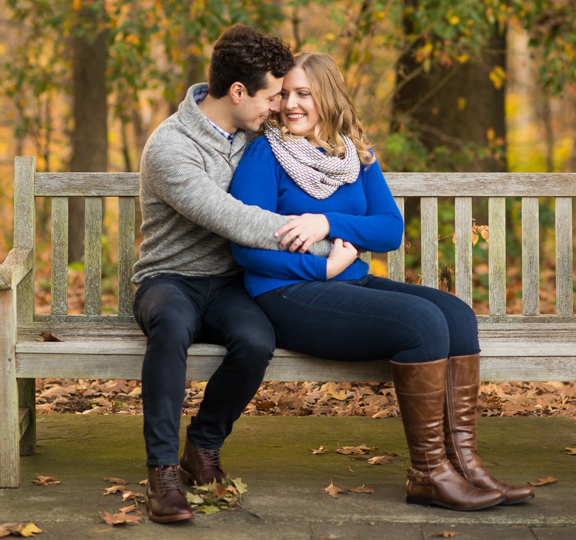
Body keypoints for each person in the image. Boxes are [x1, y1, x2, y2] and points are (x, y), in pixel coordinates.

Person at [229, 52, 534, 511]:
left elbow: (389, 229)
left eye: (303, 94)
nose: (290, 105)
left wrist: (324, 222)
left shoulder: (354, 154)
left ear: (327, 97)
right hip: (287, 294)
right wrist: (321, 267)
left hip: (348, 284)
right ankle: (429, 474)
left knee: (456, 315)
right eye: (284, 94)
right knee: (422, 324)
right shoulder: (263, 154)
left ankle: (466, 465)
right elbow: (247, 249)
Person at [131, 26, 334, 523]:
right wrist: (322, 241)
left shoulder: (258, 136)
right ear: (238, 92)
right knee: (173, 326)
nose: (278, 107)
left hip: (227, 284)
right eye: (271, 96)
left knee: (256, 339)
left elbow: (320, 162)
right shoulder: (170, 147)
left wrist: (341, 219)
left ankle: (201, 448)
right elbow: (234, 219)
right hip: (168, 280)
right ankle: (161, 473)